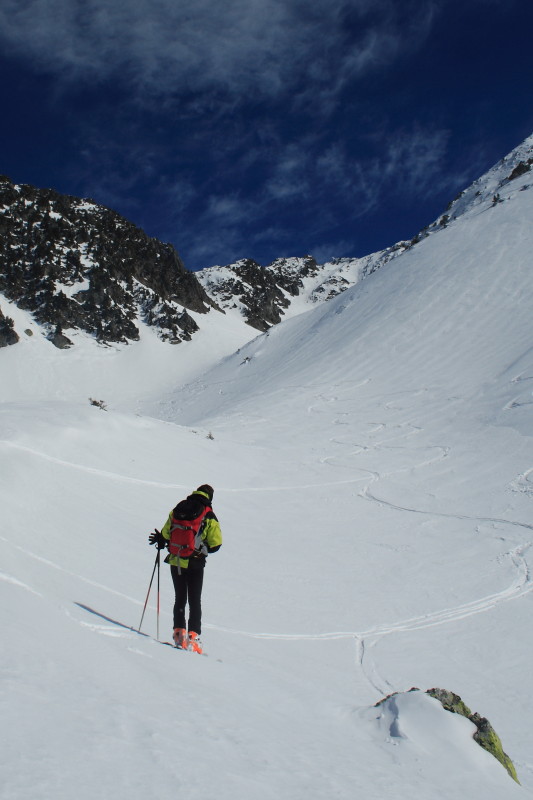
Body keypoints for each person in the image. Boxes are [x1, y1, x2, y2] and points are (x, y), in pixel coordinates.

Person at [149, 484, 222, 653]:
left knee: (180, 598)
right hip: (195, 562)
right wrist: (202, 547)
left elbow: (166, 533)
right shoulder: (208, 513)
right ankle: (193, 638)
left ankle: (179, 634)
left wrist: (162, 539)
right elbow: (216, 543)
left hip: (176, 560)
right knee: (195, 600)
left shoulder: (179, 508)